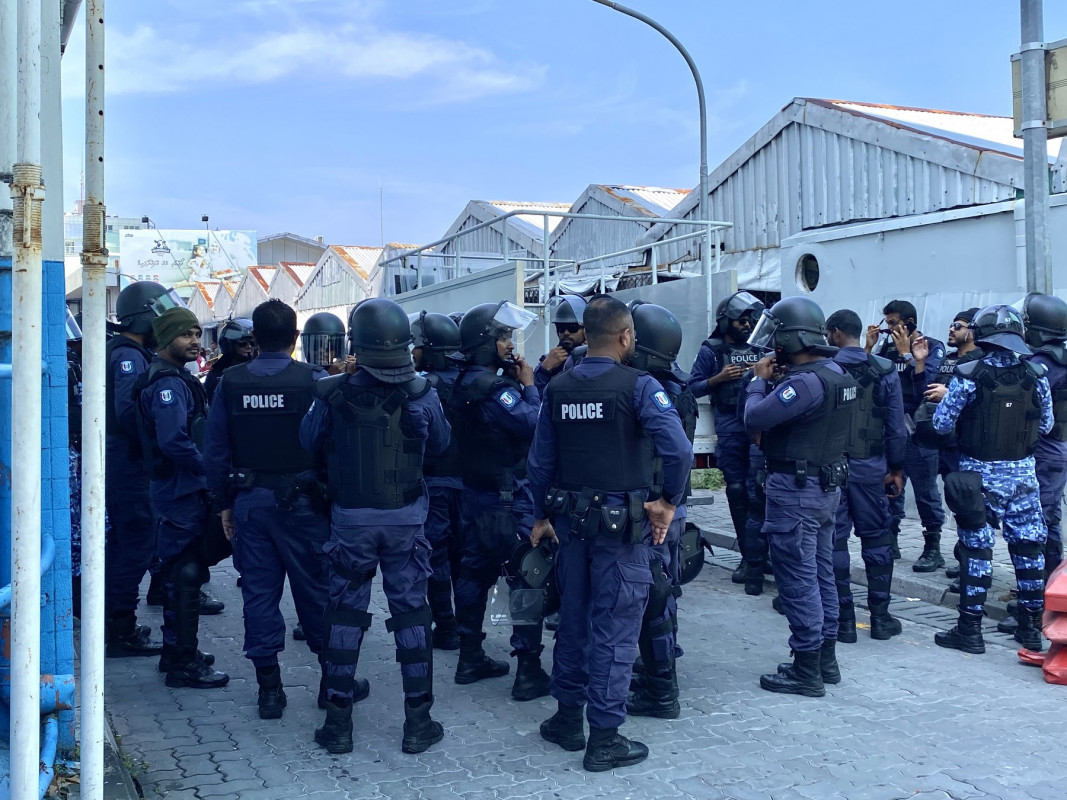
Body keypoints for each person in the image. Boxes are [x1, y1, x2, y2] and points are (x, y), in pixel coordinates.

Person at [528, 295, 692, 772]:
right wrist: (668, 503)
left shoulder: (558, 387)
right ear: (624, 336)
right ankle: (604, 738)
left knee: (573, 621)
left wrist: (539, 517)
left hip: (570, 527)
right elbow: (679, 452)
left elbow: (539, 463)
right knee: (615, 629)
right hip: (621, 532)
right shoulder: (640, 386)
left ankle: (566, 720)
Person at [300, 298, 450, 755]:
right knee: (411, 612)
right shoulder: (423, 392)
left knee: (345, 612)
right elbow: (441, 444)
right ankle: (418, 722)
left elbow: (308, 441)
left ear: (356, 343)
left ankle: (338, 724)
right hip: (405, 518)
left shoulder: (329, 392)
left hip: (351, 521)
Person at [204, 299, 337, 719]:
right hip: (305, 505)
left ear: (255, 338)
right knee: (316, 591)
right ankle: (332, 684)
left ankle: (270, 691)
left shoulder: (230, 382)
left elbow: (215, 451)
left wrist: (224, 504)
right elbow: (333, 446)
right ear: (296, 337)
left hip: (251, 502)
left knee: (259, 594)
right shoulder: (314, 380)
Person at [743, 297, 857, 696]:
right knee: (821, 572)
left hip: (796, 491)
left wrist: (757, 382)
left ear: (791, 338)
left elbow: (754, 418)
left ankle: (806, 667)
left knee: (798, 577)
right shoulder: (836, 373)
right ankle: (825, 660)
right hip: (824, 488)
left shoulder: (805, 383)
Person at [929, 304, 1053, 654]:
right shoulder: (1037, 375)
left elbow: (941, 424)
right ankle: (1030, 630)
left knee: (977, 548)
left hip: (978, 475)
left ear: (981, 336)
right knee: (1029, 549)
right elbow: (1045, 425)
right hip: (1023, 475)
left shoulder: (969, 374)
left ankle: (970, 630)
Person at [450, 301, 552, 701]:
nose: (510, 345)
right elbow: (534, 424)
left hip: (475, 497)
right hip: (509, 502)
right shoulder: (496, 389)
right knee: (528, 578)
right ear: (485, 343)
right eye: (504, 338)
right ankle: (528, 670)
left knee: (473, 575)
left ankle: (469, 656)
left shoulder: (464, 382)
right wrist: (529, 384)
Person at [134, 307, 230, 688]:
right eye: (185, 335)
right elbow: (174, 441)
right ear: (165, 338)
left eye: (196, 333)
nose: (194, 341)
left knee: (183, 573)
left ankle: (178, 651)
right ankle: (182, 662)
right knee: (183, 575)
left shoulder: (174, 377)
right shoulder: (167, 385)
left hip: (181, 489)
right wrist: (209, 470)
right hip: (178, 492)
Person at [624, 302, 698, 721]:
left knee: (651, 597)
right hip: (672, 506)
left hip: (653, 509)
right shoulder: (679, 387)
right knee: (664, 592)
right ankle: (659, 667)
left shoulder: (647, 390)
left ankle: (660, 686)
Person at [826, 309, 907, 642]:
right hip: (871, 469)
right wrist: (896, 469)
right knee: (877, 540)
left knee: (834, 542)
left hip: (830, 470)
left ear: (834, 333)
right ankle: (881, 618)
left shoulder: (824, 368)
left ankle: (844, 621)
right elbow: (896, 428)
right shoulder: (885, 370)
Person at [104, 281, 175, 657]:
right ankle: (121, 629)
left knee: (126, 544)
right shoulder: (127, 356)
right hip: (129, 466)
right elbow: (129, 411)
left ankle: (115, 623)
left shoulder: (127, 351)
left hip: (127, 463)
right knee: (135, 545)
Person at [689, 291, 765, 584]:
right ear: (725, 322)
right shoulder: (712, 350)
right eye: (740, 320)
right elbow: (691, 387)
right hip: (731, 428)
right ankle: (748, 556)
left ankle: (763, 556)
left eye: (749, 320)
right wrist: (718, 379)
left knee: (759, 491)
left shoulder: (761, 346)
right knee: (736, 491)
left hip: (759, 428)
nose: (746, 325)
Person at [865, 300, 945, 564]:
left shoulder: (931, 346)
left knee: (925, 491)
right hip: (892, 429)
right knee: (890, 486)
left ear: (909, 323)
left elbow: (927, 388)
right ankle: (891, 539)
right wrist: (869, 348)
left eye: (893, 323)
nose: (888, 329)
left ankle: (932, 547)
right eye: (886, 323)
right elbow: (869, 380)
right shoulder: (886, 348)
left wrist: (907, 356)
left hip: (919, 431)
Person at [410, 311, 465, 650]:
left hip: (435, 484)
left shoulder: (422, 388)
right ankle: (466, 627)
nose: (412, 352)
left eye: (417, 345)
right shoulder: (474, 380)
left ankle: (446, 625)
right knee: (462, 557)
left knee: (437, 555)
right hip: (469, 485)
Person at [1022, 292, 1067, 580]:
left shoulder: (1041, 365)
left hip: (1044, 449)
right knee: (1049, 516)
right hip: (1057, 447)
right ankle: (1050, 581)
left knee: (1038, 517)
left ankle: (1039, 588)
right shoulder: (1059, 359)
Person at [534, 295, 587, 396]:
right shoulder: (548, 360)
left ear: (585, 329)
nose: (566, 333)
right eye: (561, 328)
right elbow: (534, 398)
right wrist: (544, 370)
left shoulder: (596, 356)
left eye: (572, 327)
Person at [203, 317, 256, 399]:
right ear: (230, 345)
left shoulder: (260, 369)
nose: (249, 346)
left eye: (252, 343)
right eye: (242, 343)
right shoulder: (217, 373)